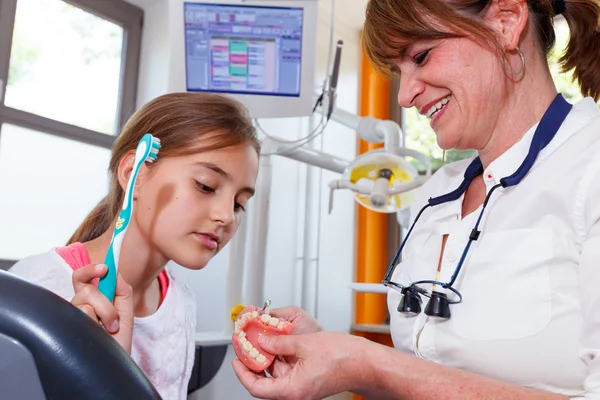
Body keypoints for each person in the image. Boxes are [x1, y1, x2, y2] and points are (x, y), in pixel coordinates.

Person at [232, 0, 600, 399]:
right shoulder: (437, 193)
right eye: (398, 73)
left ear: (506, 22)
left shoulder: (588, 167)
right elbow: (428, 377)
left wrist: (368, 363)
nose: (406, 96)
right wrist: (328, 353)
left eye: (421, 57)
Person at [9, 92, 260, 400]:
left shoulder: (181, 303)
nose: (226, 217)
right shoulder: (37, 288)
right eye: (205, 185)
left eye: (239, 204)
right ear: (134, 173)